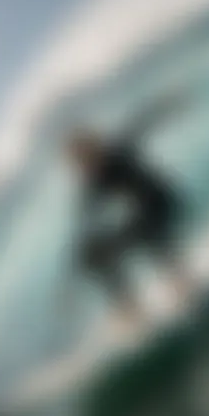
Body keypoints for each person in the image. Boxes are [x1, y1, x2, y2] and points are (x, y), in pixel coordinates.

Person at [65, 92, 191, 323]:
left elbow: (142, 122)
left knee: (145, 229)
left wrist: (169, 103)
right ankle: (131, 309)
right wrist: (78, 261)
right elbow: (85, 224)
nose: (84, 165)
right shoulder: (92, 185)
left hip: (163, 203)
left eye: (86, 156)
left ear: (95, 147)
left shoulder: (118, 151)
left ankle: (183, 284)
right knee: (93, 254)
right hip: (141, 217)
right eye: (79, 162)